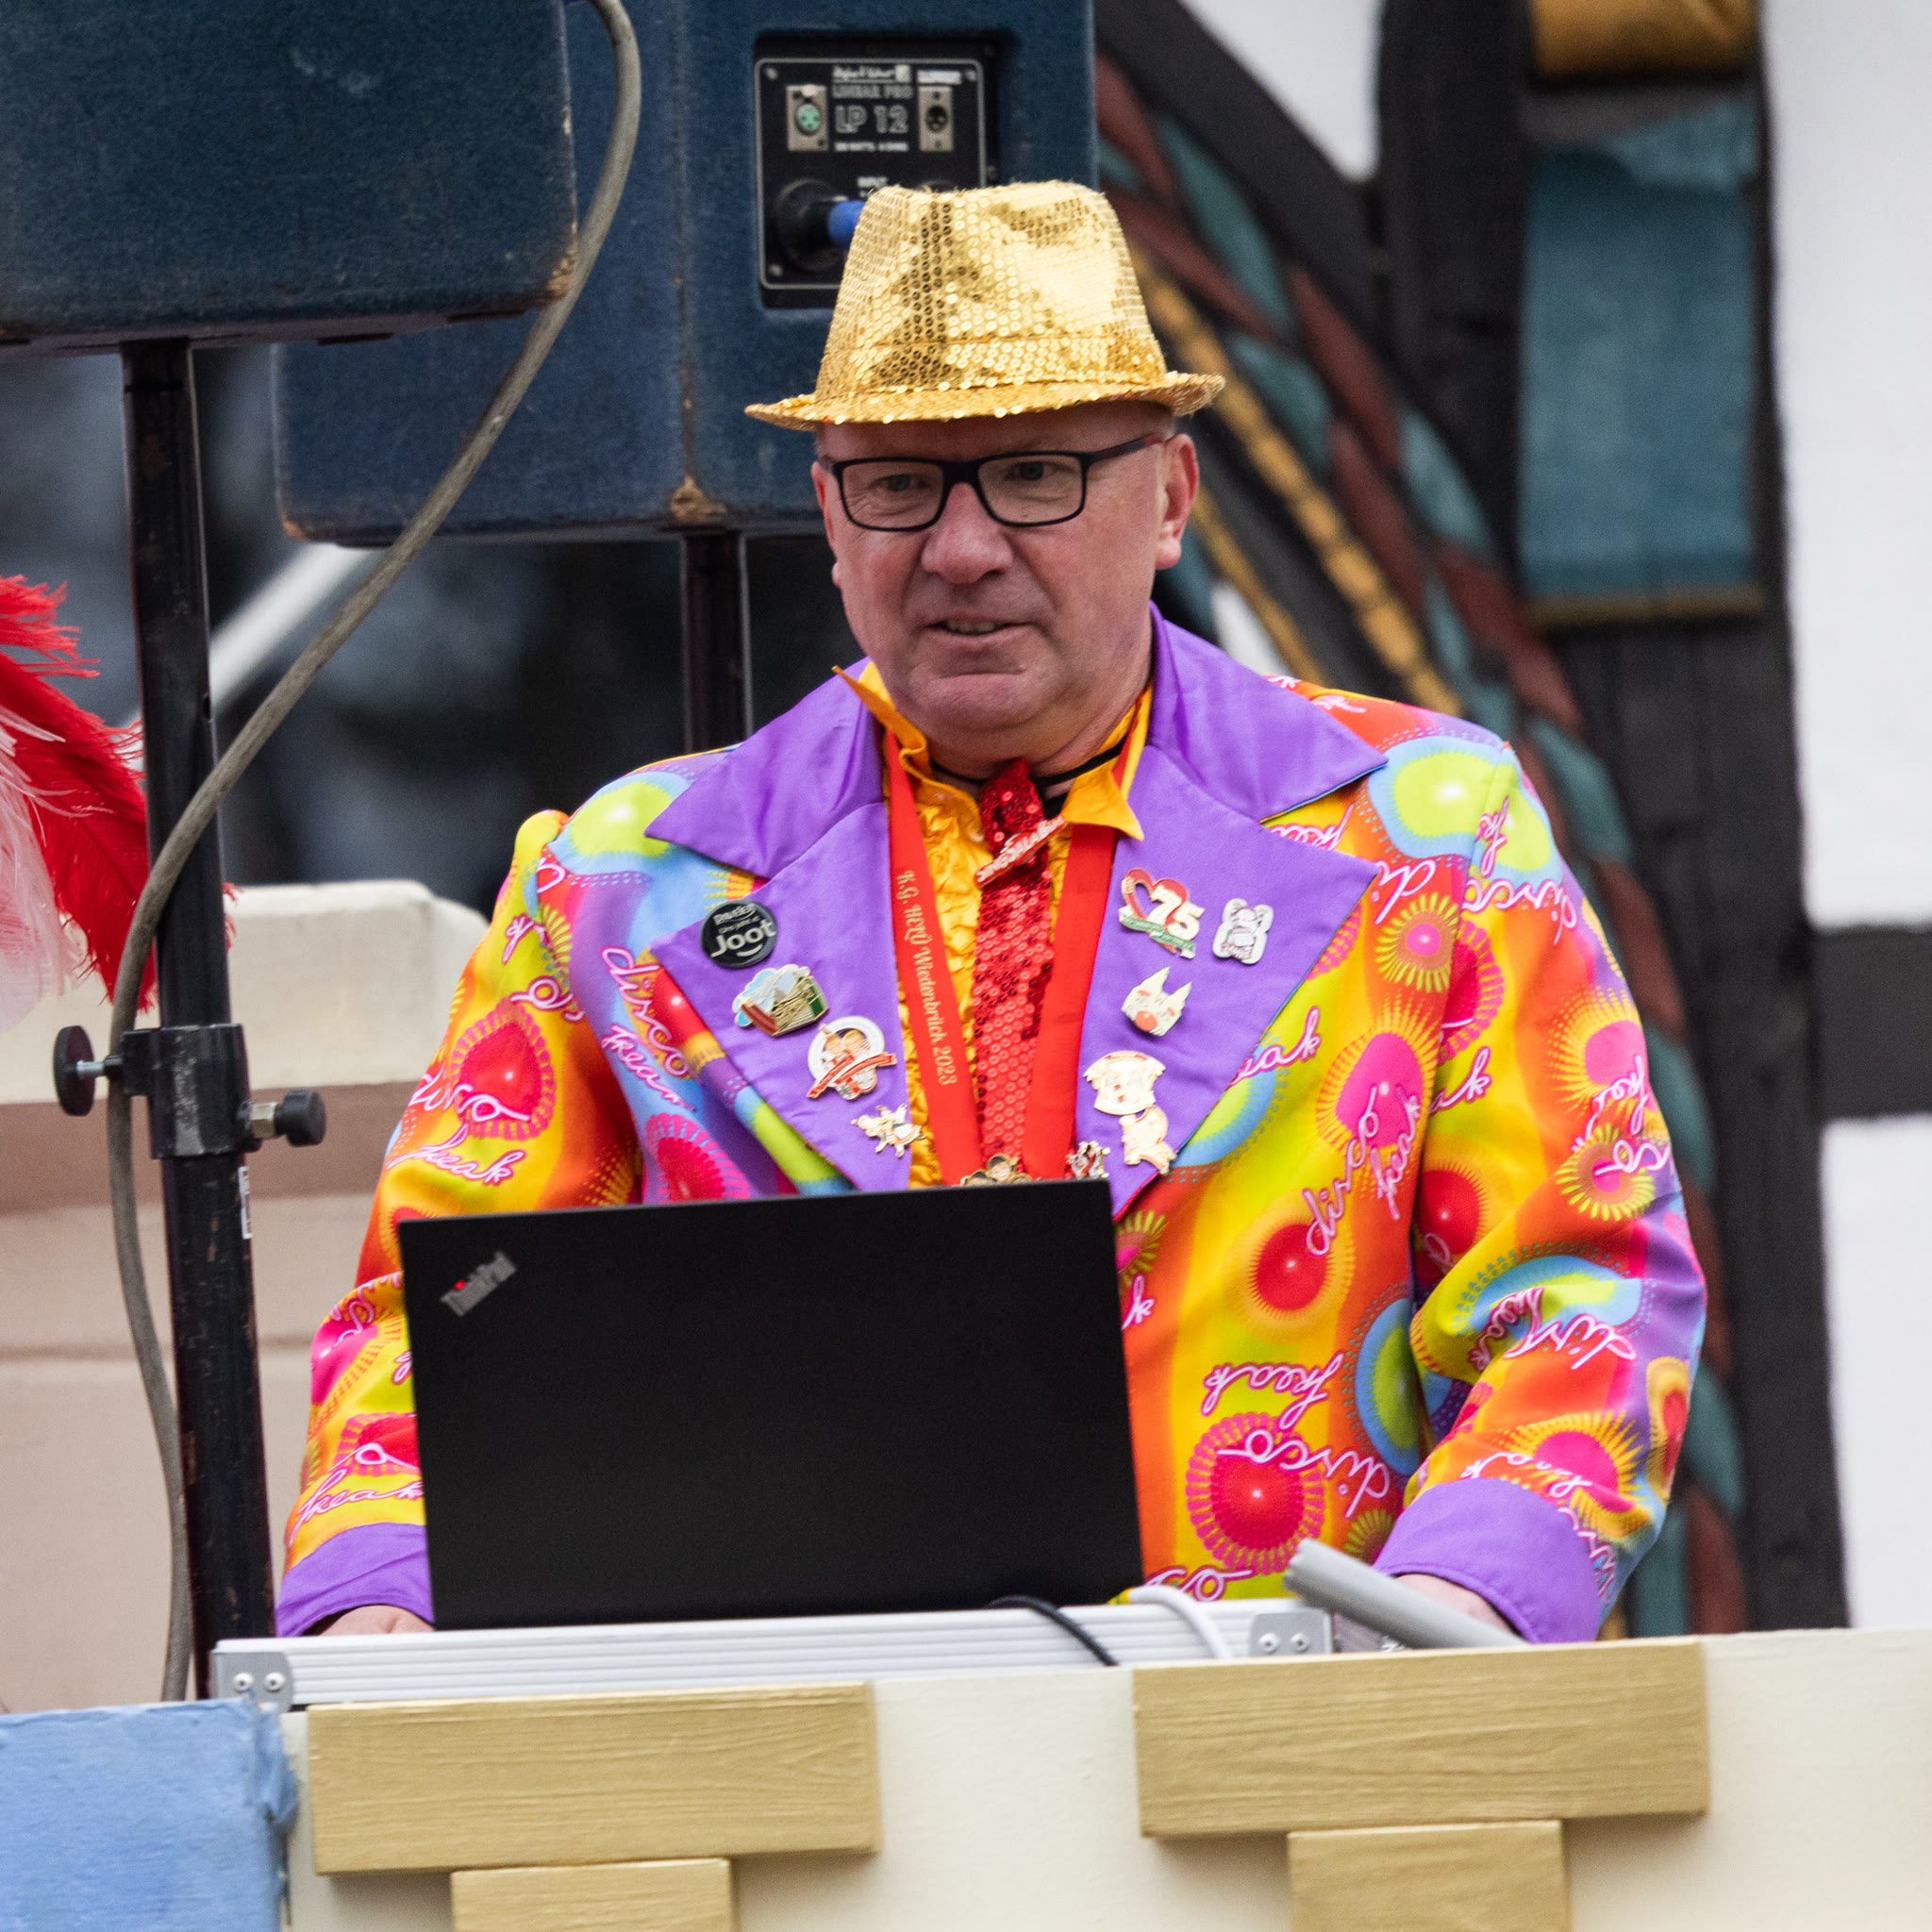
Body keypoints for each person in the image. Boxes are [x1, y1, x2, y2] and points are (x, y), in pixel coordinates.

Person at [278, 182, 1704, 1643]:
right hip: (797, 1744)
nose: (960, 549)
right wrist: (376, 1609)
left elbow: (1585, 1287)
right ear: (828, 514)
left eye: (1035, 475)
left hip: (1284, 1728)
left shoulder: (1430, 832)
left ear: (1172, 499)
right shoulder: (618, 887)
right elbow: (438, 1327)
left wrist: (1448, 1612)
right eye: (899, 485)